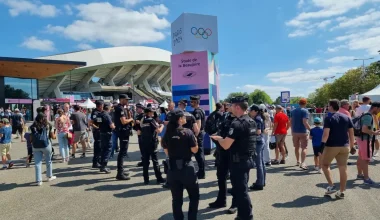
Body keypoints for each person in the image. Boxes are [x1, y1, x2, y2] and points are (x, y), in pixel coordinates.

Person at [211, 96, 256, 220]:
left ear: (237, 107)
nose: (229, 107)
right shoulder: (251, 121)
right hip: (246, 159)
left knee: (241, 192)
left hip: (238, 162)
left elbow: (226, 145)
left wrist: (218, 138)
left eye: (231, 105)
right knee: (242, 190)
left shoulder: (237, 123)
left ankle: (246, 216)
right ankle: (242, 215)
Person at [161, 109, 199, 220]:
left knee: (176, 199)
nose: (185, 118)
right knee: (194, 196)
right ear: (179, 119)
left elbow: (167, 151)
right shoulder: (187, 132)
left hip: (172, 170)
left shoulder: (167, 133)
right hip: (187, 169)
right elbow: (195, 150)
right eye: (183, 117)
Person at [321, 99, 355, 198]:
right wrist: (352, 146)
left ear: (331, 106)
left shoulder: (328, 118)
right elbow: (351, 134)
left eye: (328, 106)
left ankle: (331, 186)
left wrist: (321, 147)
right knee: (343, 168)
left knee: (325, 165)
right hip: (345, 146)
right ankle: (341, 191)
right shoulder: (347, 117)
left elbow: (325, 134)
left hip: (331, 146)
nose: (327, 107)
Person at [209, 104, 237, 214]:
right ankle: (221, 200)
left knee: (235, 180)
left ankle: (235, 204)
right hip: (222, 152)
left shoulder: (239, 120)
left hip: (233, 153)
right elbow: (221, 131)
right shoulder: (226, 117)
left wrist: (220, 139)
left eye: (230, 105)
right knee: (221, 177)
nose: (228, 107)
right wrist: (216, 137)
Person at [356, 102, 380, 185]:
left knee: (361, 157)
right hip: (364, 139)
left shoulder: (365, 114)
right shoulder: (368, 116)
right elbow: (364, 129)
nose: (379, 111)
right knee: (366, 159)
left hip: (361, 139)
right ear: (376, 108)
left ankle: (359, 174)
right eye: (379, 109)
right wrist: (374, 133)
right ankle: (366, 178)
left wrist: (373, 132)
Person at [30, 113, 57, 186]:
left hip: (36, 146)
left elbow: (31, 138)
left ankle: (39, 180)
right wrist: (54, 134)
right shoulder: (48, 125)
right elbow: (53, 136)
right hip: (46, 145)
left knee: (37, 163)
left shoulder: (32, 126)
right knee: (48, 161)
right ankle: (49, 176)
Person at [140, 107, 165, 184]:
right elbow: (158, 130)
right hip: (151, 142)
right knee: (155, 161)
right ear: (149, 113)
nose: (153, 113)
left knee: (145, 161)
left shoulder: (142, 120)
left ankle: (146, 179)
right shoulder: (151, 120)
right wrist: (162, 125)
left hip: (143, 142)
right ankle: (159, 178)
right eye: (152, 112)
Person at [114, 94, 133, 180]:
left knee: (123, 152)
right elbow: (124, 121)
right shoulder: (120, 108)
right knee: (122, 152)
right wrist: (131, 119)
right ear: (121, 100)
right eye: (126, 100)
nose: (127, 101)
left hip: (124, 132)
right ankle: (120, 173)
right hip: (123, 132)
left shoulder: (123, 108)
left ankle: (121, 170)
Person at [249, 104, 266, 191]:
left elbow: (258, 131)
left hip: (258, 142)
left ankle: (259, 183)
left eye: (251, 110)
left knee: (259, 163)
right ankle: (262, 181)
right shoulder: (259, 118)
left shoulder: (257, 119)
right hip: (260, 141)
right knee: (261, 163)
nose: (249, 112)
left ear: (255, 111)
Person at [290, 98, 311, 170]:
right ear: (305, 103)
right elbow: (305, 122)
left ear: (299, 103)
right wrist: (310, 130)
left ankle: (298, 161)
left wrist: (292, 130)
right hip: (303, 131)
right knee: (304, 147)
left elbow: (291, 121)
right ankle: (303, 163)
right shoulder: (305, 111)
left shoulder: (293, 111)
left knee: (296, 147)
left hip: (295, 132)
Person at [190, 95, 206, 179]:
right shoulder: (201, 110)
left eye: (192, 102)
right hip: (200, 134)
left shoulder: (197, 112)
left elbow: (198, 125)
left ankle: (201, 172)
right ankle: (201, 171)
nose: (191, 103)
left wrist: (195, 136)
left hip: (198, 135)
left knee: (199, 154)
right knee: (200, 153)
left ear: (196, 102)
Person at [98, 103, 116, 174]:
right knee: (108, 149)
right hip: (107, 134)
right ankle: (104, 165)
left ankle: (102, 164)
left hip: (102, 133)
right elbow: (111, 126)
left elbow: (97, 123)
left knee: (103, 149)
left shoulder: (100, 114)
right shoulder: (107, 115)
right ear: (108, 108)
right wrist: (114, 126)